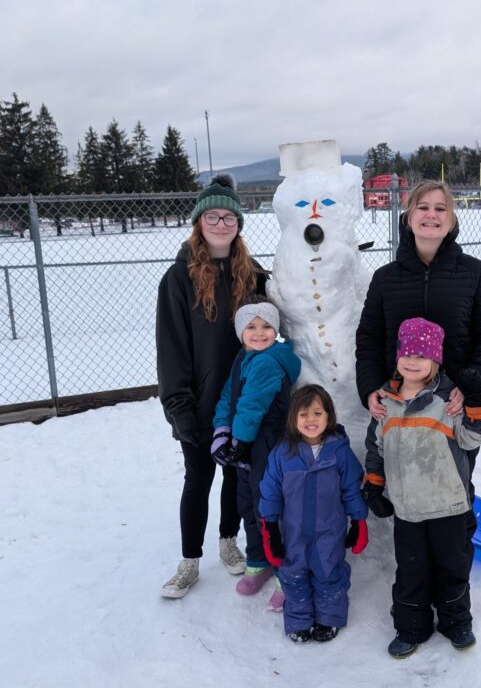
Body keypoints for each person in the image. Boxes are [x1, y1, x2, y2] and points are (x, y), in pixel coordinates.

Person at [355, 180, 481, 495]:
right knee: (406, 491)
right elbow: (369, 338)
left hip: (453, 407)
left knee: (454, 490)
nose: (431, 215)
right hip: (401, 408)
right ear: (408, 217)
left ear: (451, 219)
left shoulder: (475, 274)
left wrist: (472, 386)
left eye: (441, 208)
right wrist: (370, 387)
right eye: (422, 207)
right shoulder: (385, 279)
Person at [157, 173, 266, 599]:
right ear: (199, 221)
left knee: (236, 476)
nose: (221, 224)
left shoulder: (252, 274)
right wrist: (179, 406)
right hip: (199, 401)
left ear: (239, 223)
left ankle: (227, 540)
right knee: (198, 476)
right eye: (212, 216)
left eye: (229, 217)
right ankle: (189, 561)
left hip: (240, 399)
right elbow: (171, 348)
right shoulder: (178, 278)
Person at [362, 318, 481, 659]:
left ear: (436, 360)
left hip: (449, 505)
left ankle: (456, 621)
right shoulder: (385, 403)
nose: (413, 360)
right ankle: (411, 627)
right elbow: (376, 447)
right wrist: (374, 485)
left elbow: (471, 437)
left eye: (423, 354)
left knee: (453, 565)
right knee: (411, 570)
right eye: (408, 352)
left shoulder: (448, 401)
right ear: (398, 356)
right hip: (407, 509)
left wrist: (476, 399)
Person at [259, 385, 369, 643]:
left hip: (329, 532)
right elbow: (269, 493)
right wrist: (270, 529)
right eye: (303, 414)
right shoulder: (282, 454)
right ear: (293, 419)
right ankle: (298, 620)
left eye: (317, 413)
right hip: (294, 533)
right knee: (293, 575)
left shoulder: (339, 452)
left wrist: (359, 522)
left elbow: (352, 489)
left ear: (329, 417)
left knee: (329, 574)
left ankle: (329, 618)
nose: (311, 420)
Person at [210, 299, 300, 607]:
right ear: (240, 332)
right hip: (246, 440)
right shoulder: (243, 358)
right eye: (251, 327)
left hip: (267, 442)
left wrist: (239, 442)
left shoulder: (268, 361)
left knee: (270, 505)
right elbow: (228, 397)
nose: (259, 333)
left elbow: (253, 405)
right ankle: (258, 560)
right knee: (247, 502)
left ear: (276, 331)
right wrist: (222, 430)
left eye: (266, 327)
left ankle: (285, 573)